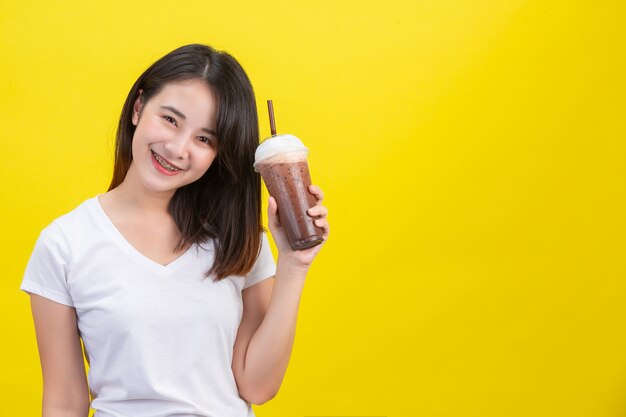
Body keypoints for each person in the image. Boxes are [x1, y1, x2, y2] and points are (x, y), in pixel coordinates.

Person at [20, 43, 329, 417]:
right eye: (170, 119)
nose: (178, 148)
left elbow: (258, 385)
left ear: (218, 153)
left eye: (204, 139)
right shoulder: (65, 243)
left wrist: (294, 265)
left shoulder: (237, 237)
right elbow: (64, 403)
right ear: (138, 108)